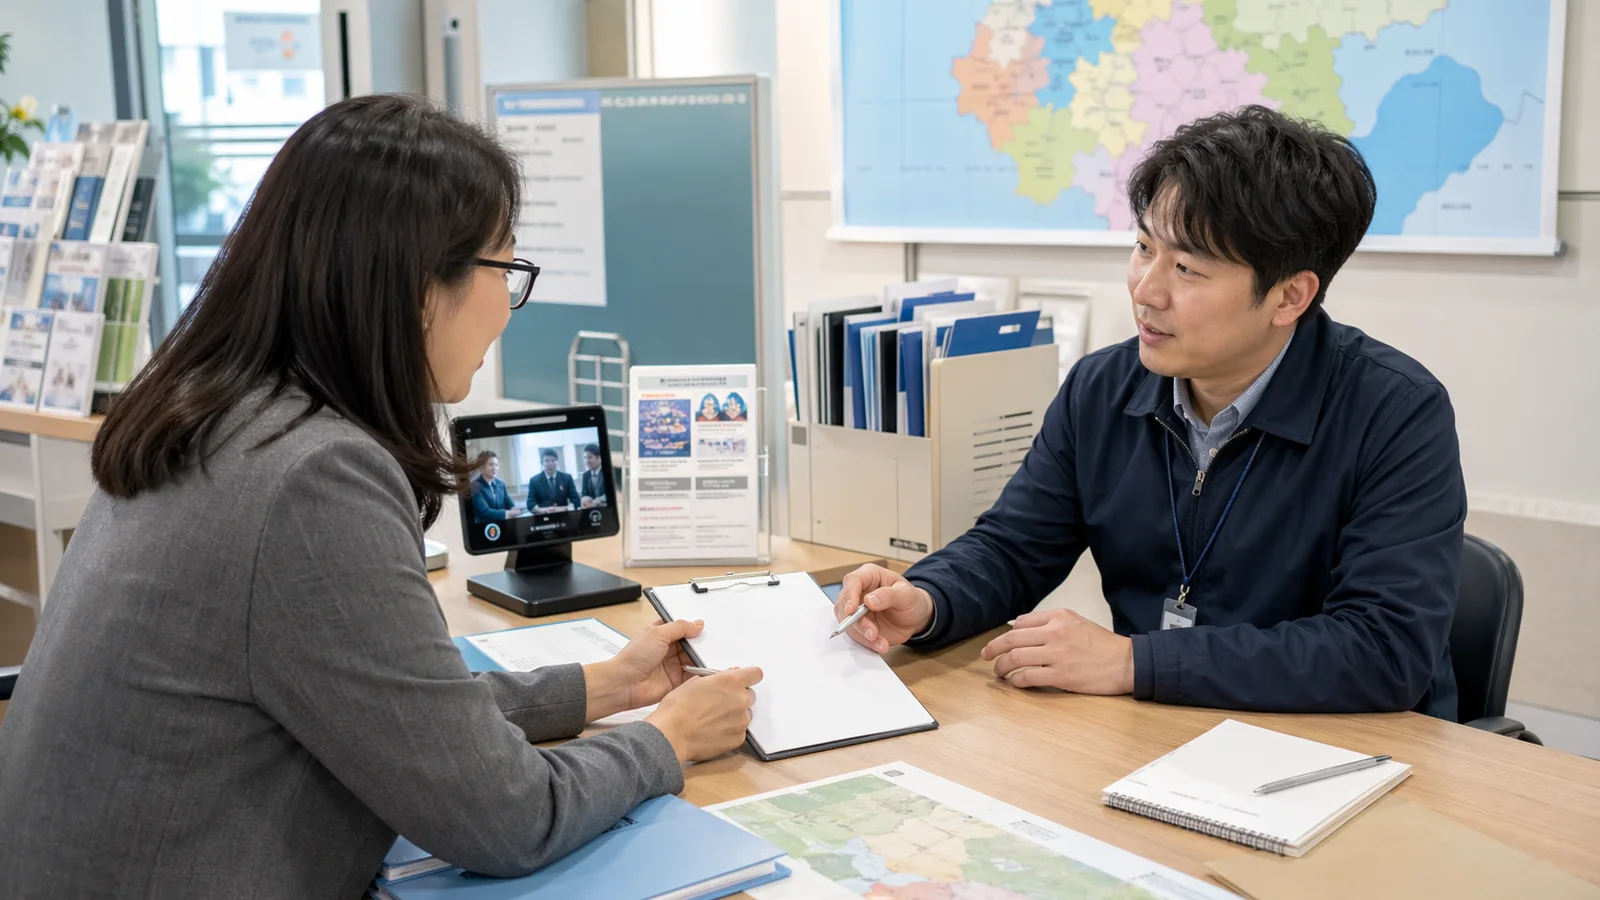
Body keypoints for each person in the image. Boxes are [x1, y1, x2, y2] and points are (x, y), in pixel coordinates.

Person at [0, 95, 763, 900]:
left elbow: (391, 702)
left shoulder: (221, 415)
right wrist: (666, 739)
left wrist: (606, 686)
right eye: (505, 270)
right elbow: (507, 817)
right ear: (418, 283)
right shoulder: (311, 479)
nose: (507, 307)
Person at [832, 105, 1465, 719]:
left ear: (1289, 296)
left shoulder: (1395, 411)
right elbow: (1013, 547)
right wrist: (929, 597)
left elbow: (1384, 648)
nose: (1145, 289)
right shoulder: (1103, 387)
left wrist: (1136, 662)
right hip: (1157, 731)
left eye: (1187, 268)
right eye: (1143, 247)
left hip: (1343, 751)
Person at [469, 450, 523, 521]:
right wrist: (509, 513)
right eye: (491, 464)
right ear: (481, 467)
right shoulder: (474, 486)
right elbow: (485, 512)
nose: (494, 468)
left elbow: (509, 503)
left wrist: (516, 509)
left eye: (496, 465)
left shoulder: (501, 483)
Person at [579, 443, 608, 509]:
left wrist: (600, 499)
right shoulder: (585, 475)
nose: (587, 461)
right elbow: (584, 494)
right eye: (585, 458)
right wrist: (584, 498)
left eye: (589, 457)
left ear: (599, 458)